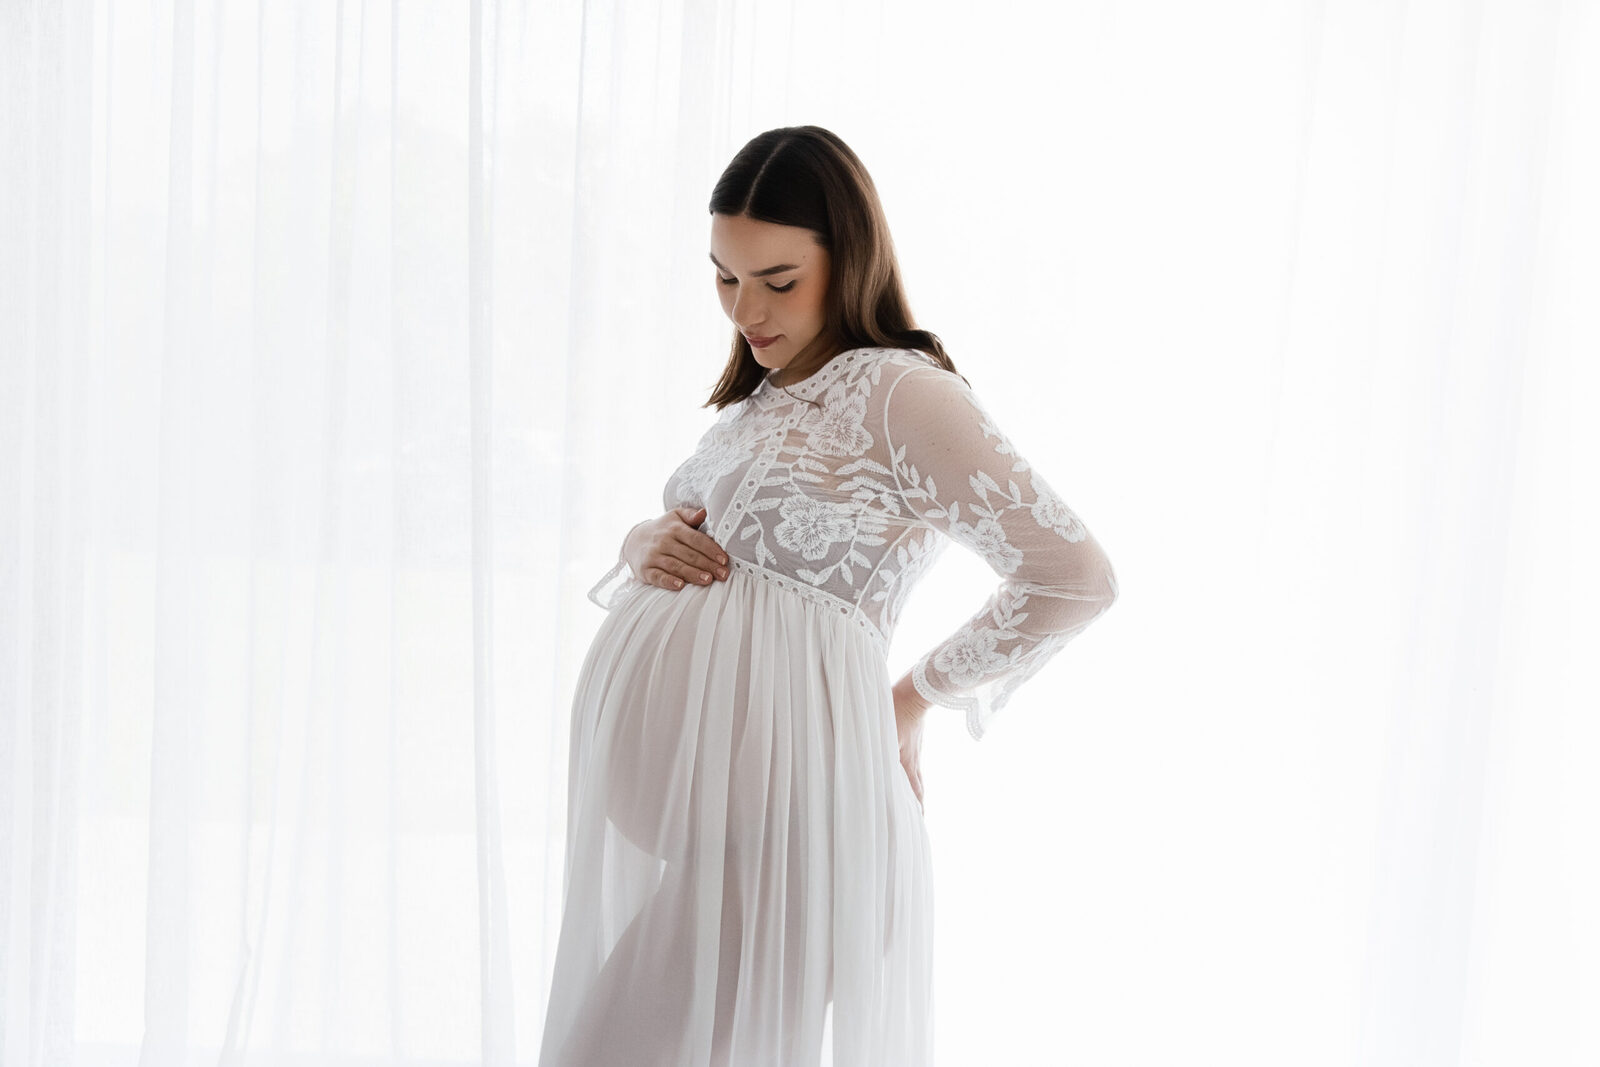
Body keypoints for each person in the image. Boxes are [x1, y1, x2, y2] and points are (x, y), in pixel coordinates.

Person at [538, 125, 1119, 1066]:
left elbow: (1073, 574)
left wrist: (911, 698)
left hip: (803, 839)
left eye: (778, 280)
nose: (746, 309)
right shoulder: (763, 398)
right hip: (732, 851)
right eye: (725, 276)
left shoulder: (899, 393)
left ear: (848, 259)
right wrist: (642, 540)